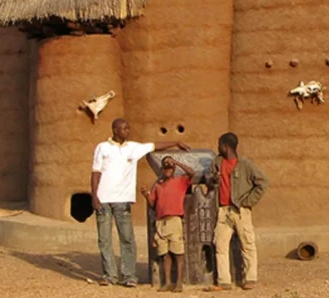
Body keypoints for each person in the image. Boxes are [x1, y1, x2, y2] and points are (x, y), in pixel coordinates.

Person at [91, 118, 190, 287]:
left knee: (127, 238)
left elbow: (154, 146)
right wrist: (94, 196)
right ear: (115, 130)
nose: (127, 131)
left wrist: (176, 143)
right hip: (104, 200)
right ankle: (110, 276)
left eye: (128, 128)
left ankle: (129, 276)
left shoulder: (133, 148)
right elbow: (95, 173)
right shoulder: (103, 148)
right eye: (123, 128)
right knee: (104, 239)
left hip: (123, 201)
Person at [204, 133, 268, 292]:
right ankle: (224, 281)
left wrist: (248, 202)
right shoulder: (218, 162)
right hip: (223, 211)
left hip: (241, 211)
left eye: (220, 145)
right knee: (220, 245)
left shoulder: (245, 165)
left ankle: (250, 278)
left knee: (247, 244)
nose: (218, 148)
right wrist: (212, 180)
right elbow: (208, 178)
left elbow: (263, 182)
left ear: (226, 146)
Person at [141, 156, 195, 292]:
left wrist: (176, 162)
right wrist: (146, 195)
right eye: (165, 167)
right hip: (161, 222)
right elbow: (153, 204)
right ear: (162, 169)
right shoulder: (158, 185)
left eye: (170, 167)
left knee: (178, 253)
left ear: (174, 169)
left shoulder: (180, 181)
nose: (168, 169)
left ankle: (179, 283)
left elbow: (192, 174)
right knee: (164, 254)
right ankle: (168, 282)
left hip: (174, 220)